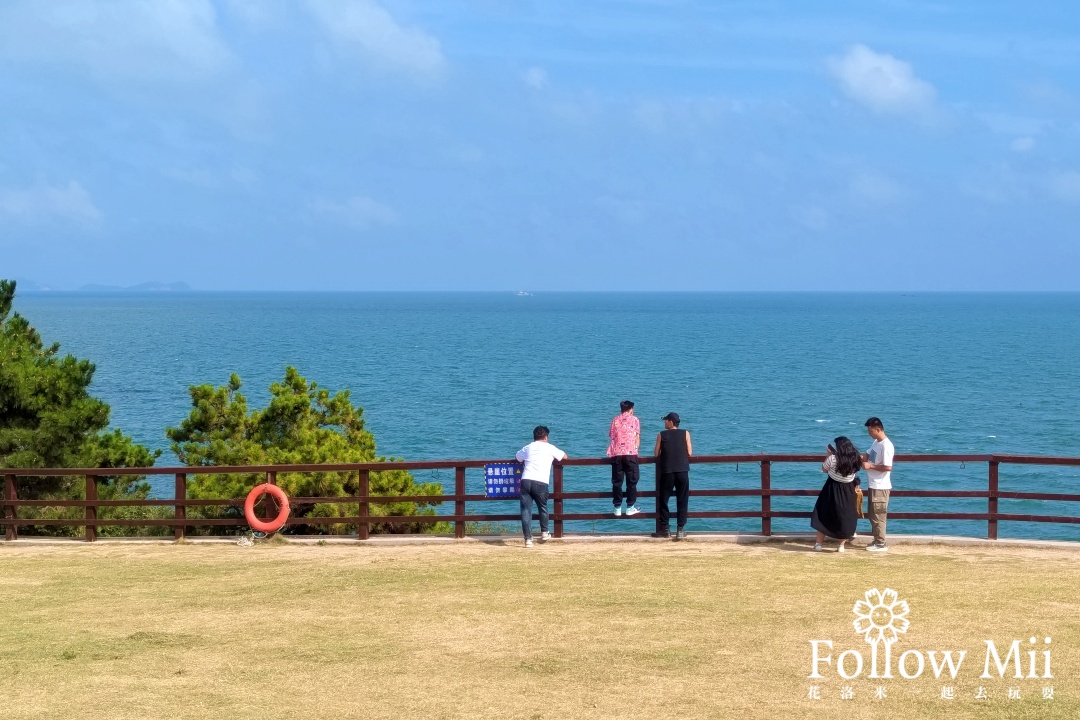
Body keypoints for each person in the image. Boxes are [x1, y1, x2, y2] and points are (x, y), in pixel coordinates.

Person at [515, 425, 568, 548]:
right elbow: (564, 456)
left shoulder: (528, 447)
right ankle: (544, 532)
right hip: (541, 481)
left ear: (534, 437)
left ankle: (528, 540)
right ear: (545, 437)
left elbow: (518, 457)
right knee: (542, 507)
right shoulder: (550, 447)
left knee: (525, 511)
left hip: (526, 480)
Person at [811, 436, 861, 552]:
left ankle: (818, 544)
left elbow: (824, 469)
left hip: (831, 487)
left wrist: (828, 455)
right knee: (845, 516)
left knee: (823, 515)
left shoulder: (833, 458)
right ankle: (841, 546)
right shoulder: (855, 458)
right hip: (848, 489)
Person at [652, 412, 692, 540]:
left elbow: (656, 453)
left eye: (666, 420)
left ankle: (665, 529)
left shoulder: (661, 435)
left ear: (671, 422)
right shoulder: (685, 433)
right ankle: (680, 529)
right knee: (682, 499)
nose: (664, 423)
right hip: (682, 470)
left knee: (664, 500)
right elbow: (690, 452)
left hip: (668, 471)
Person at [861, 417, 895, 552]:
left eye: (871, 431)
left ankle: (881, 543)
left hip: (881, 486)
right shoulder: (876, 442)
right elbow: (867, 455)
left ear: (878, 429)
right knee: (872, 514)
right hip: (873, 484)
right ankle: (877, 540)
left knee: (879, 515)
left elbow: (888, 467)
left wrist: (870, 466)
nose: (869, 434)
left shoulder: (887, 446)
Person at [607, 400, 641, 517]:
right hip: (630, 454)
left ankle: (617, 507)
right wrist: (635, 447)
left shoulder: (615, 420)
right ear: (631, 409)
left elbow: (611, 436)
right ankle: (630, 507)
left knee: (617, 482)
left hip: (616, 454)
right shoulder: (635, 419)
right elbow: (637, 438)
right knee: (632, 481)